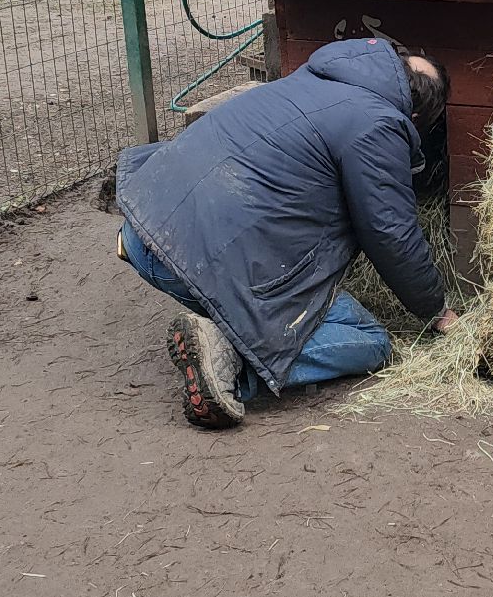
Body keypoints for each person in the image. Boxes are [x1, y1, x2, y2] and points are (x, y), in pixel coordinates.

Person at [115, 38, 459, 429]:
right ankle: (232, 359)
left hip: (144, 226)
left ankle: (222, 333)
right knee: (372, 342)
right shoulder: (378, 124)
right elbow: (390, 232)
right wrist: (436, 310)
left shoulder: (314, 77)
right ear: (415, 116)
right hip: (194, 260)